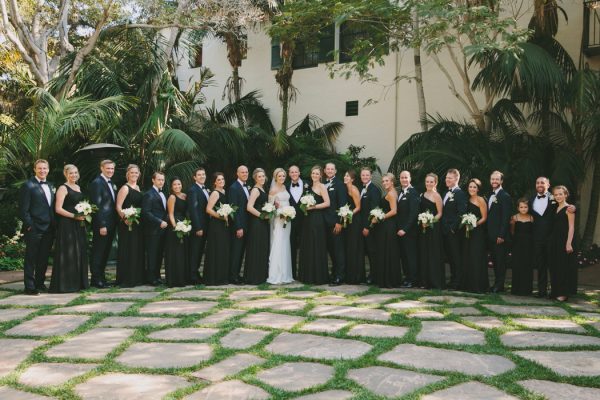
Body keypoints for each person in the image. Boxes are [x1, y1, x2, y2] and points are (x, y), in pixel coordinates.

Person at [49, 164, 89, 293]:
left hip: (79, 224)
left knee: (78, 251)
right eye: (71, 173)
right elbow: (58, 209)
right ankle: (66, 284)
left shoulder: (78, 187)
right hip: (67, 224)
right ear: (66, 174)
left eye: (76, 173)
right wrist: (74, 216)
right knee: (68, 253)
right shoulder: (63, 188)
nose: (74, 175)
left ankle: (77, 282)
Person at [19, 159, 55, 295]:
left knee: (43, 258)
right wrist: (30, 226)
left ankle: (40, 283)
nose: (42, 171)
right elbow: (23, 210)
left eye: (45, 168)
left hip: (49, 228)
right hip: (34, 228)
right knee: (31, 258)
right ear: (34, 169)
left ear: (48, 169)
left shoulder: (51, 185)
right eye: (39, 168)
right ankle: (29, 286)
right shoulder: (28, 186)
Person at [299, 165, 330, 284]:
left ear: (321, 175)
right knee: (308, 245)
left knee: (316, 245)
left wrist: (314, 206)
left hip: (317, 219)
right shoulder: (308, 187)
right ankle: (307, 275)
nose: (315, 175)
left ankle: (318, 276)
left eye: (317, 174)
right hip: (307, 219)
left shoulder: (322, 186)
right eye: (313, 173)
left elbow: (327, 203)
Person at [89, 159, 118, 288]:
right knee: (99, 251)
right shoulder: (97, 183)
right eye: (108, 168)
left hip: (111, 223)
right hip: (102, 224)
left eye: (112, 169)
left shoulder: (111, 184)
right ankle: (96, 279)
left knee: (105, 252)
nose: (110, 171)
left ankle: (102, 277)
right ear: (101, 168)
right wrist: (101, 225)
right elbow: (96, 205)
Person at [115, 164, 145, 287]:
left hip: (137, 223)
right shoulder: (125, 188)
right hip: (127, 223)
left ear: (139, 174)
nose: (134, 175)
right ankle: (126, 278)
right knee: (128, 249)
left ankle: (137, 277)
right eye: (132, 173)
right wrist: (125, 218)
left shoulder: (137, 187)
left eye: (136, 173)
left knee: (136, 249)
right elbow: (118, 206)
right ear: (128, 174)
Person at [371, 173, 400, 288]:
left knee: (387, 251)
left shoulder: (392, 194)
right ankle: (389, 278)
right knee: (387, 251)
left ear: (392, 182)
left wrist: (379, 217)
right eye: (383, 181)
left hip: (388, 226)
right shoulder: (391, 192)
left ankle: (388, 280)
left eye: (387, 181)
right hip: (388, 225)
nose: (384, 183)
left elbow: (394, 211)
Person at [548, 185, 575, 301]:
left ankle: (563, 293)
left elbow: (571, 227)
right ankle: (555, 291)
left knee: (563, 266)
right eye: (556, 194)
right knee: (554, 265)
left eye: (560, 194)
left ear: (565, 195)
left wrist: (568, 243)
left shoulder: (569, 209)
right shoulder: (555, 207)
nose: (558, 196)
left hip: (564, 240)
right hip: (554, 240)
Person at [441, 168, 467, 289]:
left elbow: (461, 212)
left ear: (456, 179)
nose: (447, 180)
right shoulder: (445, 193)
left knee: (456, 257)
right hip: (445, 230)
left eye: (450, 178)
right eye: (446, 178)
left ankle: (458, 282)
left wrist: (453, 228)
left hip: (454, 231)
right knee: (450, 257)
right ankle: (452, 280)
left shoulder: (460, 194)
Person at [487, 170, 512, 293]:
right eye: (492, 179)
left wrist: (501, 235)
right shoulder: (489, 195)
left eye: (497, 179)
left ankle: (499, 285)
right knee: (495, 261)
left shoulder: (505, 196)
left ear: (501, 181)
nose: (494, 181)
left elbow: (506, 217)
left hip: (499, 236)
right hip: (490, 235)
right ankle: (496, 284)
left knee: (500, 262)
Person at [461, 178, 488, 293]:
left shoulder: (481, 200)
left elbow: (484, 217)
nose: (472, 189)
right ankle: (468, 285)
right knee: (468, 256)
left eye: (474, 187)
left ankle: (478, 285)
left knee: (476, 257)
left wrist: (474, 224)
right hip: (467, 232)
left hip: (477, 233)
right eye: (470, 187)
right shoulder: (466, 199)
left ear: (478, 189)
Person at [204, 172, 231, 286]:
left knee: (222, 250)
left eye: (222, 179)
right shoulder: (215, 193)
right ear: (214, 182)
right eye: (218, 180)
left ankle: (222, 276)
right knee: (216, 249)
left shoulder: (224, 191)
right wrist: (220, 216)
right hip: (216, 225)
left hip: (223, 225)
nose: (221, 181)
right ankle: (213, 278)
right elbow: (208, 209)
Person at [244, 168, 270, 285]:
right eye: (259, 176)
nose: (262, 178)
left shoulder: (262, 188)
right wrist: (261, 216)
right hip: (257, 222)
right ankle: (254, 277)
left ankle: (260, 275)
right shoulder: (255, 190)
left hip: (262, 222)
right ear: (255, 178)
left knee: (262, 248)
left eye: (263, 176)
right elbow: (249, 207)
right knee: (256, 247)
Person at [324, 162, 348, 285]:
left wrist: (339, 223)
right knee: (331, 250)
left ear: (335, 171)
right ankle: (334, 273)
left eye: (332, 169)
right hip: (325, 223)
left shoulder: (339, 185)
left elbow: (343, 205)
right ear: (324, 170)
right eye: (327, 169)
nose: (329, 171)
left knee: (338, 250)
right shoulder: (322, 184)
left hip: (335, 223)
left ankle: (340, 275)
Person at [418, 173, 444, 289]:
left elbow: (440, 213)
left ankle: (434, 281)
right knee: (424, 253)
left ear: (435, 183)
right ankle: (424, 281)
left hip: (433, 228)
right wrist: (423, 221)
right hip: (423, 228)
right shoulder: (422, 194)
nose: (429, 184)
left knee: (433, 254)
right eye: (427, 181)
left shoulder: (437, 196)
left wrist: (430, 221)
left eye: (431, 182)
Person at [142, 172, 168, 286]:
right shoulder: (149, 194)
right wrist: (159, 222)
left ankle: (157, 276)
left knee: (159, 254)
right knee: (152, 254)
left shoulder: (164, 193)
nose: (161, 182)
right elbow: (146, 212)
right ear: (153, 180)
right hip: (152, 230)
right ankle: (151, 278)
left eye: (162, 180)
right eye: (159, 179)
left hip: (163, 229)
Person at [269, 168, 294, 284]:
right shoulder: (273, 190)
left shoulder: (284, 187)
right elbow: (270, 207)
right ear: (275, 177)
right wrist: (280, 213)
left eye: (283, 176)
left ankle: (285, 273)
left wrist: (289, 213)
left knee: (285, 243)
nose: (282, 178)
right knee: (278, 242)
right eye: (280, 176)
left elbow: (286, 202)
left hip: (287, 219)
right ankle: (277, 274)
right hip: (279, 219)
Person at [396, 171, 419, 288]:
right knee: (404, 256)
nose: (404, 179)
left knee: (410, 256)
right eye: (402, 178)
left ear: (410, 178)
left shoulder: (413, 193)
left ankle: (413, 279)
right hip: (400, 231)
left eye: (406, 177)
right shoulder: (400, 192)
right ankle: (407, 277)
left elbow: (413, 214)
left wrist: (405, 229)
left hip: (409, 232)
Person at [165, 178, 189, 288]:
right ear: (171, 187)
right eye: (174, 184)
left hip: (185, 226)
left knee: (183, 253)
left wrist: (185, 226)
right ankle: (174, 280)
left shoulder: (185, 196)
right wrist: (176, 228)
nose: (177, 186)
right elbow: (170, 214)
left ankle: (182, 278)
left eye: (179, 184)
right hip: (175, 227)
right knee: (175, 254)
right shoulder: (172, 197)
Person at [187, 168, 210, 284]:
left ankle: (196, 273)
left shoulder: (206, 189)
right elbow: (193, 210)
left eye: (203, 174)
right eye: (199, 175)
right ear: (194, 177)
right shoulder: (193, 190)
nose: (202, 176)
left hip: (206, 226)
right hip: (199, 227)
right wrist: (198, 227)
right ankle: (192, 276)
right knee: (195, 251)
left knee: (200, 250)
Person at [360, 167, 381, 284]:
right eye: (363, 175)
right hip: (362, 226)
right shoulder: (363, 189)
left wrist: (368, 227)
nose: (365, 177)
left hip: (370, 227)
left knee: (372, 252)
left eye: (367, 175)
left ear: (371, 176)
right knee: (368, 251)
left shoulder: (374, 190)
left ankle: (374, 276)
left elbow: (374, 211)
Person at [229, 165, 250, 284]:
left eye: (246, 172)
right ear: (237, 173)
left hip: (246, 224)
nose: (245, 174)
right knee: (236, 251)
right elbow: (234, 209)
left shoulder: (247, 186)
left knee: (241, 251)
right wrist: (238, 227)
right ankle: (233, 276)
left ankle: (237, 274)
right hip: (239, 226)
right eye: (242, 172)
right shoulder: (234, 188)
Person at [343, 170, 364, 284]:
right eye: (345, 175)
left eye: (348, 176)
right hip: (348, 220)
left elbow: (358, 207)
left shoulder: (354, 189)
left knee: (354, 246)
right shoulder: (346, 188)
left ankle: (356, 276)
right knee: (349, 246)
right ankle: (349, 274)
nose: (345, 177)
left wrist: (348, 214)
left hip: (355, 221)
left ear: (352, 179)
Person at [510, 198, 534, 296]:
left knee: (527, 265)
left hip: (528, 245)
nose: (523, 209)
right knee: (517, 265)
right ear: (518, 208)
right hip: (517, 244)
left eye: (525, 207)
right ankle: (516, 289)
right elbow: (512, 231)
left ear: (528, 208)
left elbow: (533, 231)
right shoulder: (514, 218)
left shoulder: (531, 218)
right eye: (521, 207)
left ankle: (527, 289)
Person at [286, 165, 304, 279]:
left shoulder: (308, 184)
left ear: (299, 173)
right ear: (289, 174)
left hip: (305, 221)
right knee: (291, 246)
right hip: (290, 222)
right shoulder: (285, 187)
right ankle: (292, 273)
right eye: (291, 172)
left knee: (304, 246)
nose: (294, 174)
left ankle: (303, 273)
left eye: (295, 172)